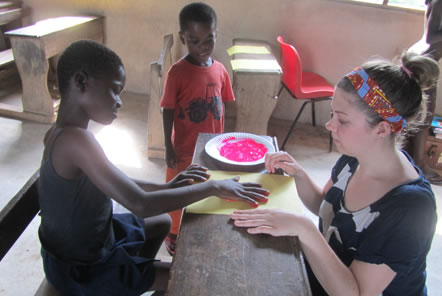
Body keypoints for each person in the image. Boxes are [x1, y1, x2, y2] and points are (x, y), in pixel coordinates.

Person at [38, 40, 268, 296]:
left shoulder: (61, 134)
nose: (119, 101)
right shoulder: (77, 141)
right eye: (114, 91)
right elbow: (140, 203)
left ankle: (130, 281)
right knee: (186, 279)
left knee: (160, 221)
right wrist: (212, 187)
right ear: (82, 82)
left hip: (84, 245)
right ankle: (123, 281)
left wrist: (165, 187)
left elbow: (119, 182)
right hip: (83, 269)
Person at [231, 51, 439, 295]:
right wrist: (298, 174)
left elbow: (355, 293)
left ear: (382, 129)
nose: (330, 126)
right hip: (327, 277)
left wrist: (305, 229)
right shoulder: (354, 158)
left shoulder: (411, 209)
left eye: (342, 120)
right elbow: (326, 206)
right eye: (332, 114)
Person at [160, 2, 235, 255]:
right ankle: (172, 233)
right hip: (182, 150)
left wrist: (227, 141)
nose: (202, 47)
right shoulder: (177, 73)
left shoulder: (220, 70)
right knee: (178, 192)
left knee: (206, 187)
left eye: (209, 39)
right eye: (194, 41)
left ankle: (198, 226)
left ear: (216, 33)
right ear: (183, 38)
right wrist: (168, 145)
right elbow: (167, 109)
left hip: (211, 148)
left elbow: (225, 106)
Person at [406, 0, 442, 184]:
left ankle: (413, 161)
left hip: (424, 56)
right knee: (422, 118)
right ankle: (418, 164)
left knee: (418, 116)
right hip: (426, 58)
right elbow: (433, 36)